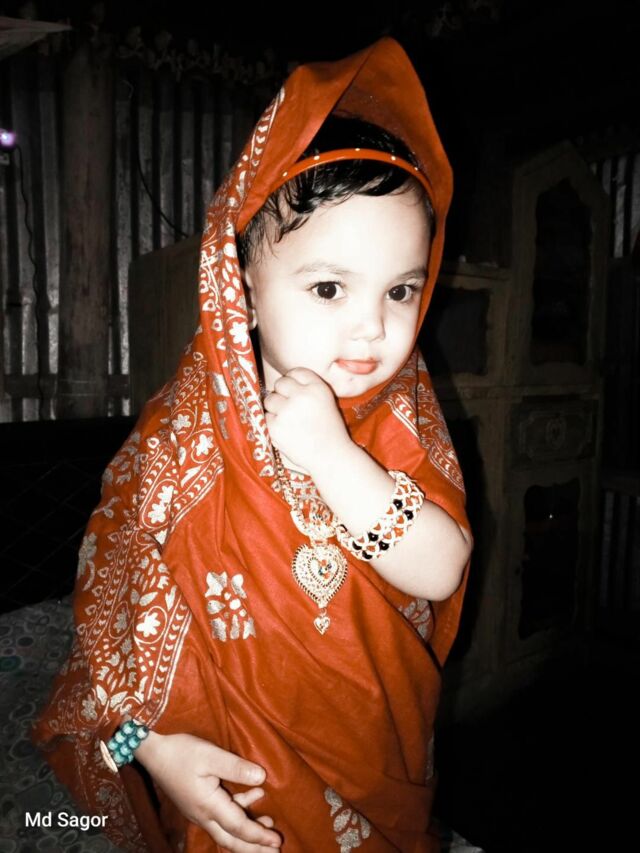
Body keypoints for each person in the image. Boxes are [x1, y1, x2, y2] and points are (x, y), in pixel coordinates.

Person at [32, 37, 473, 852]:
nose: (372, 327)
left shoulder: (402, 418)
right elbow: (100, 660)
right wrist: (151, 750)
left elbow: (442, 569)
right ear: (239, 284)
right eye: (330, 287)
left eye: (401, 289)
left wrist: (335, 458)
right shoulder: (173, 442)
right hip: (234, 796)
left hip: (376, 767)